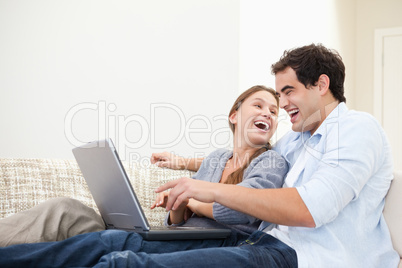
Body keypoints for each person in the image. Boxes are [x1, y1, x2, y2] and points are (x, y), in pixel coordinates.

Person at [0, 43, 399, 268]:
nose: (280, 105)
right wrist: (187, 165)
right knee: (106, 243)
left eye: (287, 93)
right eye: (275, 97)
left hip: (303, 259)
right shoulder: (297, 140)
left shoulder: (356, 130)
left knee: (123, 264)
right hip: (258, 242)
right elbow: (246, 156)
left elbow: (309, 209)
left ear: (322, 85)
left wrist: (205, 190)